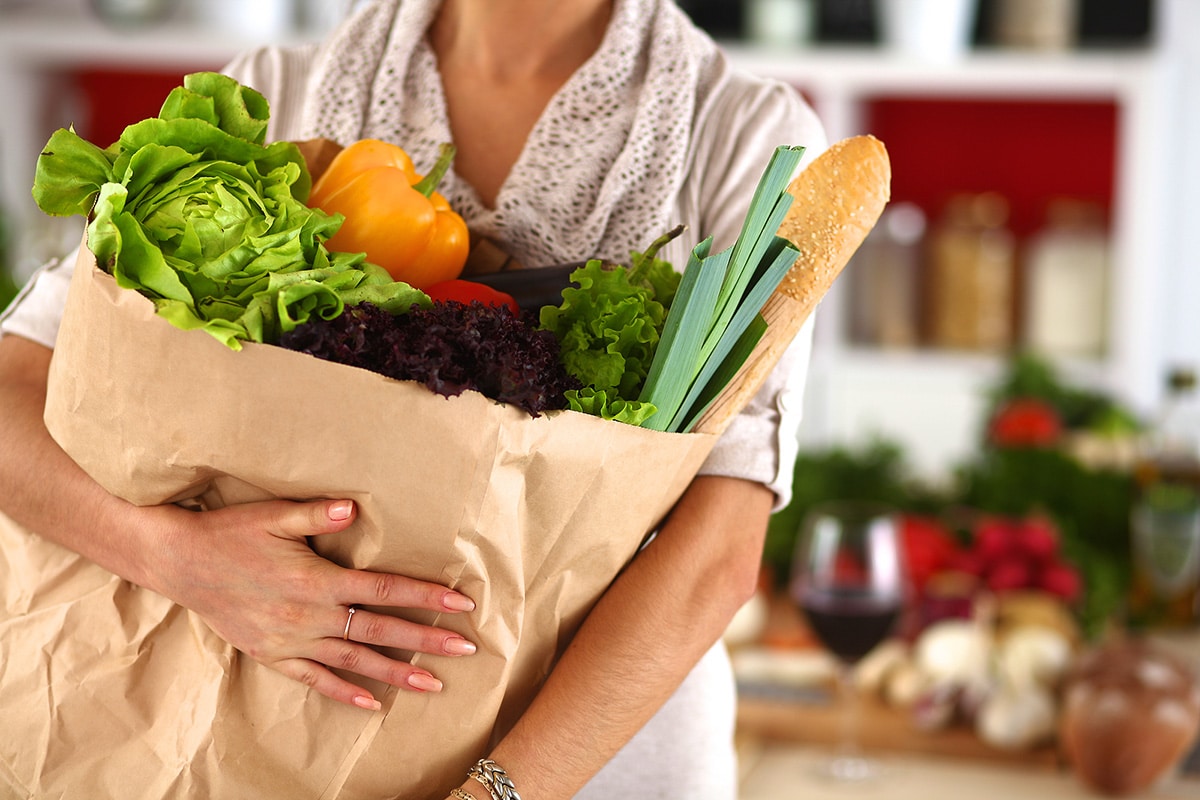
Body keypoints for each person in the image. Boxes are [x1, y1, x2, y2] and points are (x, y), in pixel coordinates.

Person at [0, 0, 826, 797]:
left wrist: (497, 796)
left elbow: (716, 552)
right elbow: (13, 388)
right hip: (254, 745)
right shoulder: (273, 90)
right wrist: (174, 558)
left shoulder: (744, 136)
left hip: (591, 768)